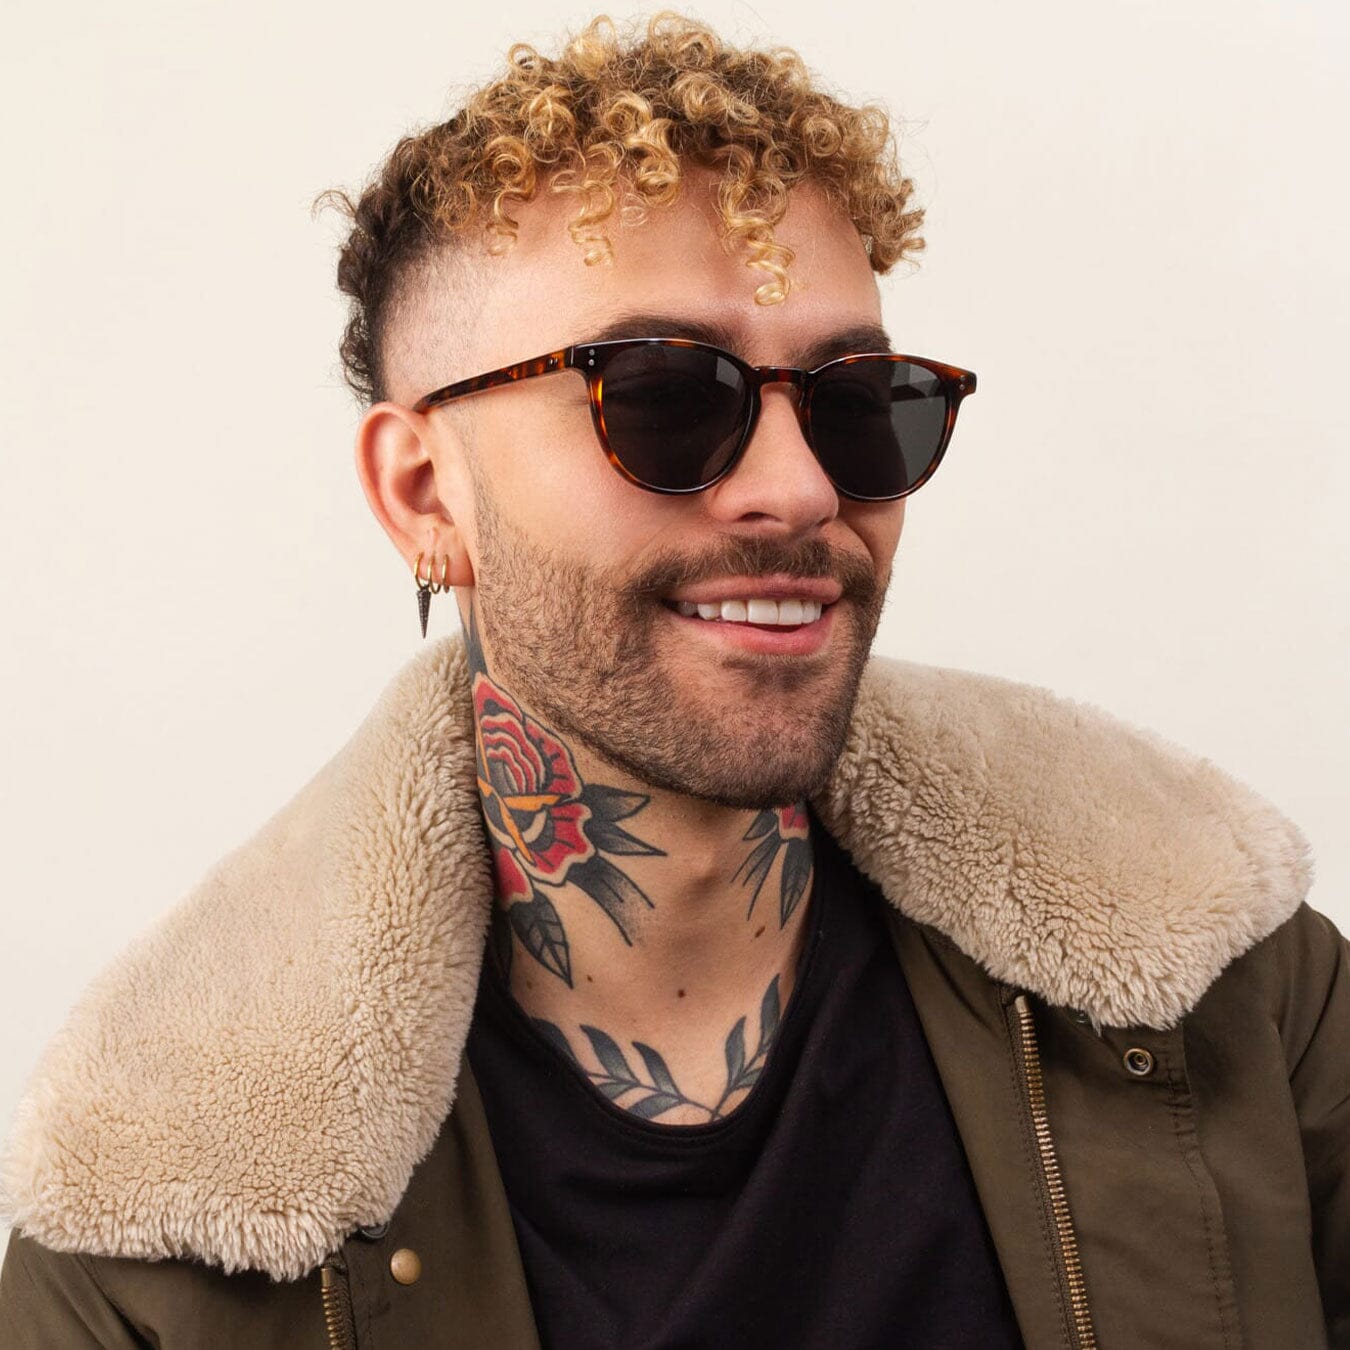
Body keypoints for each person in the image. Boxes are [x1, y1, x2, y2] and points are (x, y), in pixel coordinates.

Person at [1, 10, 1345, 1348]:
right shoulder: (158, 1218)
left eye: (857, 399)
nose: (800, 489)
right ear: (424, 492)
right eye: (660, 396)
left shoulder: (1223, 974)